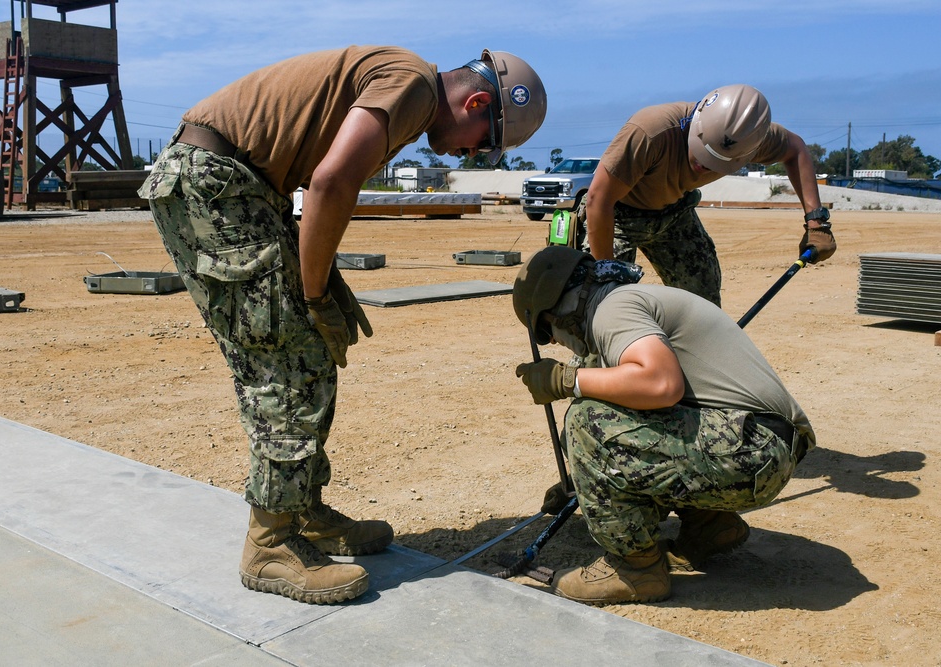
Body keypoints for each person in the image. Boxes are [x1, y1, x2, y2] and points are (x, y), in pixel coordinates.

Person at [138, 46, 546, 605]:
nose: (470, 154)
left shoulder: (408, 89)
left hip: (239, 188)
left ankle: (302, 512)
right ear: (476, 103)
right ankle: (270, 545)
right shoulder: (414, 87)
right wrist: (312, 292)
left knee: (308, 351)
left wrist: (321, 281)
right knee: (287, 358)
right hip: (220, 185)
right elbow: (331, 183)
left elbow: (321, 181)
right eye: (481, 143)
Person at [512, 246, 815, 606]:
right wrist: (583, 481)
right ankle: (709, 527)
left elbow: (660, 384)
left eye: (547, 333)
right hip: (761, 447)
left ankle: (635, 571)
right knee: (602, 408)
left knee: (587, 419)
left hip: (753, 450)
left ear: (556, 310)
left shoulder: (613, 310)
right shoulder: (625, 301)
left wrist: (566, 380)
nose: (556, 343)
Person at [579, 84, 835, 307]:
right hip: (618, 215)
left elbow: (796, 149)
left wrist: (816, 222)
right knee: (601, 308)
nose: (703, 166)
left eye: (717, 162)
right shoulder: (651, 131)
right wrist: (606, 273)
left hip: (674, 213)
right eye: (703, 152)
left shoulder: (749, 137)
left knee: (703, 302)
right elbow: (598, 199)